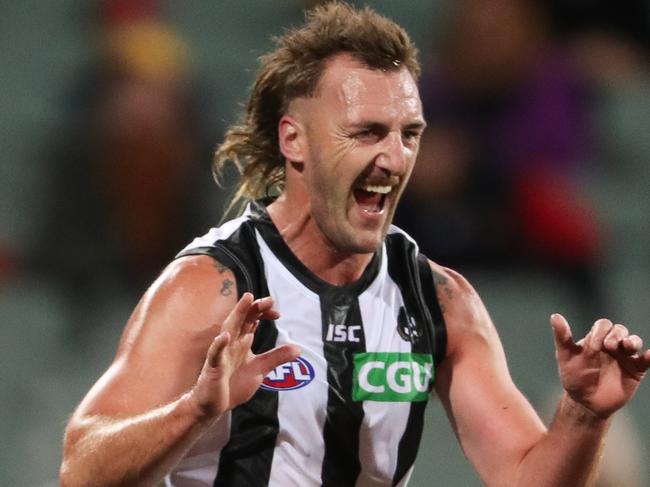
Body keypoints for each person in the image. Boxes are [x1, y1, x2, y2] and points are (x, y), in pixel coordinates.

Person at [59, 4, 650, 486]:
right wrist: (195, 410)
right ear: (294, 140)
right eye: (366, 132)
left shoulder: (438, 300)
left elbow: (525, 476)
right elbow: (82, 470)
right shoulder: (211, 288)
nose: (394, 159)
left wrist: (582, 416)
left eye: (409, 134)